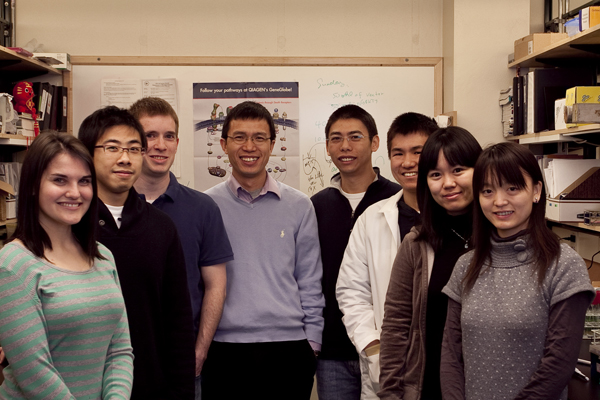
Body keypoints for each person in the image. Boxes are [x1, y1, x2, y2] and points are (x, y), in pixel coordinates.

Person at [441, 142, 595, 400]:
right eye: (488, 190)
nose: (500, 201)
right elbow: (451, 353)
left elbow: (559, 362)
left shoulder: (564, 265)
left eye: (512, 188)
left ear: (536, 190)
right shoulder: (466, 266)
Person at [203, 101, 324, 400]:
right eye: (239, 137)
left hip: (289, 349)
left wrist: (312, 344)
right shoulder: (205, 207)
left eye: (259, 137)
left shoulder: (299, 206)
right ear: (223, 144)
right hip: (223, 350)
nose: (249, 146)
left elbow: (309, 280)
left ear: (272, 145)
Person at [0, 132, 133, 398]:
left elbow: (119, 350)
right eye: (60, 180)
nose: (74, 192)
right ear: (33, 185)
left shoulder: (103, 256)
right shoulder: (13, 265)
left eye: (84, 181)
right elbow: (33, 372)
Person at [78, 106, 195, 399]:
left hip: (151, 384)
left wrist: (181, 390)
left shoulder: (161, 227)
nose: (125, 158)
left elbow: (177, 319)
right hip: (79, 384)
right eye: (112, 147)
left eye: (133, 148)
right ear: (87, 154)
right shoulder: (70, 223)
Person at [130, 97, 233, 399]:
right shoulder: (103, 208)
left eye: (169, 136)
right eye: (150, 135)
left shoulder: (203, 209)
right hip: (115, 362)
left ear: (177, 142)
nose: (160, 145)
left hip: (180, 363)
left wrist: (198, 352)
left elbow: (216, 286)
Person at [335, 112, 438, 398]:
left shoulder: (457, 218)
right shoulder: (372, 219)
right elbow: (351, 291)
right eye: (398, 153)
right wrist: (374, 347)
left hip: (444, 365)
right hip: (386, 366)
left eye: (418, 152)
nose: (407, 162)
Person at [378, 126, 482, 400]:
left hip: (491, 384)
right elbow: (396, 326)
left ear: (481, 171)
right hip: (428, 386)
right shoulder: (416, 244)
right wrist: (390, 393)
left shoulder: (501, 238)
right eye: (436, 174)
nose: (447, 183)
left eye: (458, 170)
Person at [310, 105, 401, 400]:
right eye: (336, 138)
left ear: (375, 143)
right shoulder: (315, 206)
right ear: (327, 147)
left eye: (355, 137)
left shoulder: (396, 201)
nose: (345, 146)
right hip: (333, 351)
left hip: (387, 348)